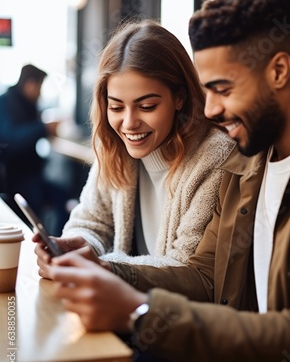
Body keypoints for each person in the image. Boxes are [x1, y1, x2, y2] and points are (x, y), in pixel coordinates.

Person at [28, 0, 290, 362]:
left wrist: (137, 311)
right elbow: (203, 274)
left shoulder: (243, 155)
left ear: (279, 71)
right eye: (206, 90)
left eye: (223, 89)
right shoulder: (252, 158)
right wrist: (107, 270)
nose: (208, 110)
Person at [35, 19, 234, 272]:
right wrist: (77, 247)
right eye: (116, 107)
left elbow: (187, 271)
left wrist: (101, 266)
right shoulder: (114, 147)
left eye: (147, 106)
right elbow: (92, 221)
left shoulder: (214, 157)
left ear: (180, 98)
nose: (129, 124)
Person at [0, 64, 70, 235]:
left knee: (65, 198)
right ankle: (51, 245)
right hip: (15, 181)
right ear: (30, 84)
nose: (40, 93)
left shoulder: (26, 105)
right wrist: (44, 128)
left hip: (31, 177)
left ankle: (57, 245)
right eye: (39, 87)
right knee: (61, 200)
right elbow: (11, 140)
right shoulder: (6, 102)